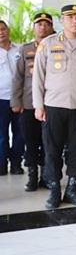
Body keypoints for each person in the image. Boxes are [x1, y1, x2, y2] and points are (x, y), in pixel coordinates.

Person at [33, 5, 76, 209]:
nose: (75, 21)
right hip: (54, 105)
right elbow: (38, 77)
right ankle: (54, 189)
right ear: (62, 21)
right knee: (52, 150)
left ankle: (72, 188)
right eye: (70, 17)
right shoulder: (48, 44)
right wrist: (38, 105)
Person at [11, 12, 55, 190]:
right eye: (39, 24)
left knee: (49, 142)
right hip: (29, 103)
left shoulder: (56, 46)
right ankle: (32, 175)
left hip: (52, 102)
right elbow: (18, 78)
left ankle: (46, 176)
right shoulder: (25, 49)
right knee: (30, 141)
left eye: (46, 24)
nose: (43, 27)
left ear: (51, 27)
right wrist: (16, 101)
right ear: (34, 27)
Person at [0, 19, 23, 175]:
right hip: (0, 98)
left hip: (19, 98)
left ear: (8, 30)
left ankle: (16, 164)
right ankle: (1, 164)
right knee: (1, 135)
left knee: (20, 134)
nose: (1, 32)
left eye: (3, 29)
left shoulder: (19, 50)